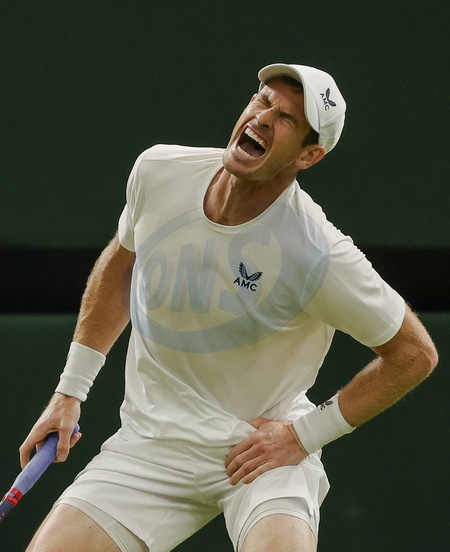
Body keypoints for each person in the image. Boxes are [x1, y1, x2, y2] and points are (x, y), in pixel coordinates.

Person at [20, 63, 438, 552]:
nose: (262, 118)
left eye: (286, 118)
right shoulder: (158, 171)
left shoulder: (317, 253)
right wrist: (70, 391)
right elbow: (122, 263)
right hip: (151, 442)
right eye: (263, 100)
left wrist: (303, 436)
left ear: (309, 155)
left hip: (261, 453)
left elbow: (414, 354)